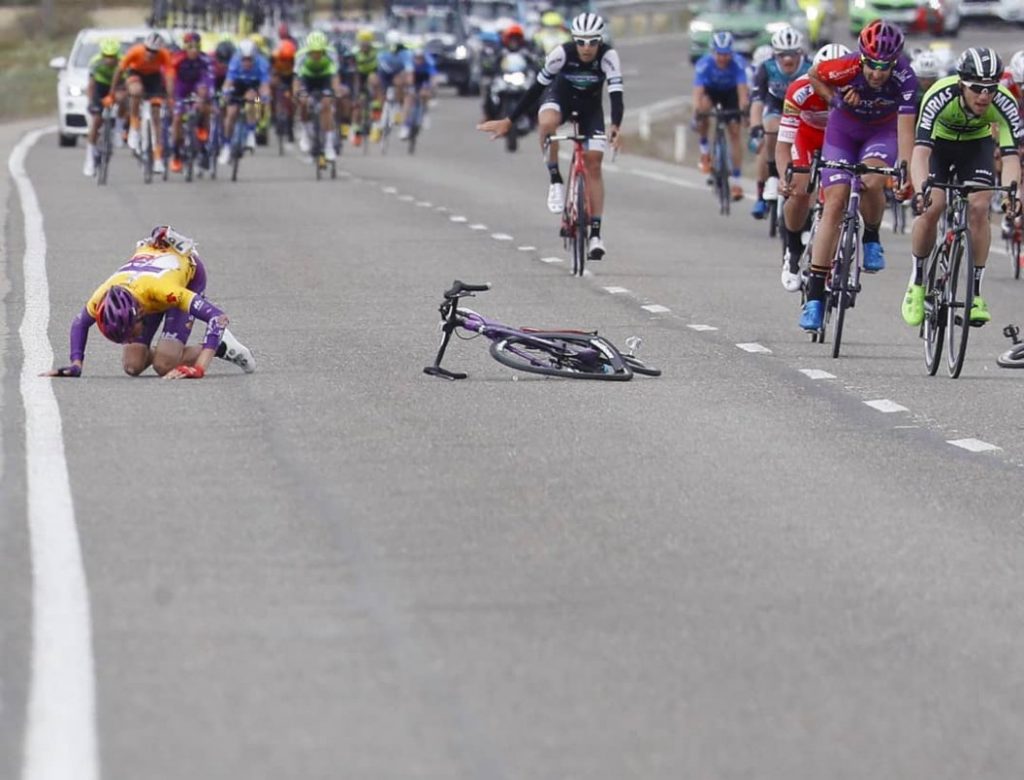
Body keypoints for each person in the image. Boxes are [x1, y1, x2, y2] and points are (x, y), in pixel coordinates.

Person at [798, 19, 917, 332]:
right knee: (835, 203)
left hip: (881, 133)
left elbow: (906, 129)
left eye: (885, 66)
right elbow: (813, 75)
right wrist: (835, 99)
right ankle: (814, 298)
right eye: (872, 65)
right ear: (861, 57)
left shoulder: (906, 78)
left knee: (874, 179)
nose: (878, 73)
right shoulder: (845, 67)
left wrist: (905, 168)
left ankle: (872, 235)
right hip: (842, 132)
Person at [476, 12, 624, 260]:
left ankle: (596, 234)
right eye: (581, 42)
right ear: (573, 40)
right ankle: (555, 179)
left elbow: (616, 94)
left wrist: (616, 126)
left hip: (590, 109)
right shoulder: (561, 54)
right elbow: (536, 89)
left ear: (601, 41)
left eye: (593, 42)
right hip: (560, 99)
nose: (587, 48)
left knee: (595, 162)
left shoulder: (609, 56)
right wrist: (509, 121)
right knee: (546, 122)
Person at [901, 47, 1023, 328]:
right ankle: (917, 281)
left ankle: (976, 293)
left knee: (979, 207)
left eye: (990, 88)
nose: (984, 96)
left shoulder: (1004, 102)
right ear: (961, 84)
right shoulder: (939, 95)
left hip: (975, 146)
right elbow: (920, 153)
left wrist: (1010, 197)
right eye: (977, 88)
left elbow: (1010, 157)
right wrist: (921, 192)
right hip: (939, 146)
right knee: (934, 206)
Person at [42, 226, 255, 380]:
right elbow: (79, 324)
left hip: (186, 278)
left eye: (130, 332)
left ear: (139, 314)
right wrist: (75, 365)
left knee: (164, 365)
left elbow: (217, 318)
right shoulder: (102, 296)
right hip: (148, 281)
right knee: (132, 365)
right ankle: (170, 351)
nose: (129, 338)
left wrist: (199, 368)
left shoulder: (165, 291)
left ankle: (221, 346)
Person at [776, 43, 850, 291]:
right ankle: (794, 249)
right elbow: (783, 142)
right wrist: (784, 175)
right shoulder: (799, 89)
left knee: (836, 202)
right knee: (798, 191)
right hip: (806, 137)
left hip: (839, 140)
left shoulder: (857, 90)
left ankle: (837, 259)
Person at [748, 26, 809, 219]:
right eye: (782, 55)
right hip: (777, 106)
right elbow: (757, 102)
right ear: (775, 54)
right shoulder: (766, 68)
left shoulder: (810, 67)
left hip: (803, 110)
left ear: (800, 53)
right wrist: (755, 126)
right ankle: (765, 187)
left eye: (792, 54)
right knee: (769, 132)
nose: (788, 60)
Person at [105, 31, 175, 174]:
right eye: (148, 50)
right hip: (136, 74)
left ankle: (157, 159)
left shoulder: (164, 55)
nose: (150, 54)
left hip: (154, 78)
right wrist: (112, 92)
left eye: (154, 52)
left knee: (156, 117)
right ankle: (134, 128)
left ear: (159, 50)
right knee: (136, 92)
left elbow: (169, 77)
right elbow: (119, 71)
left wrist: (170, 97)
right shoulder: (135, 51)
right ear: (144, 47)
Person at [692, 31, 750, 201]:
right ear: (713, 52)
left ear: (731, 53)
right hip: (712, 92)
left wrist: (744, 111)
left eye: (726, 54)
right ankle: (704, 152)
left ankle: (737, 182)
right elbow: (697, 92)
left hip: (731, 94)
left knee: (734, 133)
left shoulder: (739, 64)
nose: (723, 58)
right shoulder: (704, 64)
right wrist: (697, 112)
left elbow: (742, 93)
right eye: (719, 54)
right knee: (702, 110)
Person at [218, 38, 271, 166]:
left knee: (254, 100)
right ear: (240, 58)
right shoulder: (235, 62)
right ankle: (226, 146)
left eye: (250, 59)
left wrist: (265, 96)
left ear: (254, 58)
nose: (247, 62)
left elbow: (264, 86)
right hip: (238, 85)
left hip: (255, 87)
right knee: (231, 113)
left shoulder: (262, 63)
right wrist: (224, 93)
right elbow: (228, 81)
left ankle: (252, 133)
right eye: (244, 59)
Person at [169, 31, 215, 174]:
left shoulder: (205, 60)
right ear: (185, 47)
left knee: (204, 101)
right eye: (190, 47)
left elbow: (209, 79)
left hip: (197, 87)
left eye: (196, 46)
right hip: (181, 89)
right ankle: (176, 154)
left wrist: (209, 95)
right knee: (177, 120)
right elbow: (169, 76)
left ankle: (202, 129)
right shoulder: (177, 59)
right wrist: (170, 96)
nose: (194, 50)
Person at [295, 30, 342, 160]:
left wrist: (336, 92)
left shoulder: (331, 53)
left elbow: (335, 76)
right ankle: (304, 132)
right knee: (303, 102)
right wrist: (298, 94)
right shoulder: (301, 55)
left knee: (326, 106)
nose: (316, 55)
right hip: (307, 79)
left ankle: (328, 146)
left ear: (324, 50)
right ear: (308, 50)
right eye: (313, 52)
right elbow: (297, 79)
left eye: (319, 52)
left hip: (325, 78)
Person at [83, 37, 126, 177]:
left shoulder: (123, 62)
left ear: (116, 55)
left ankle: (119, 127)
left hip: (117, 86)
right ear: (102, 55)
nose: (109, 60)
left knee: (123, 98)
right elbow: (91, 85)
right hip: (100, 87)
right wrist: (91, 102)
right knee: (96, 122)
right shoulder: (95, 62)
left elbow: (127, 83)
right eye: (106, 56)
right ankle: (89, 158)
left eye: (112, 56)